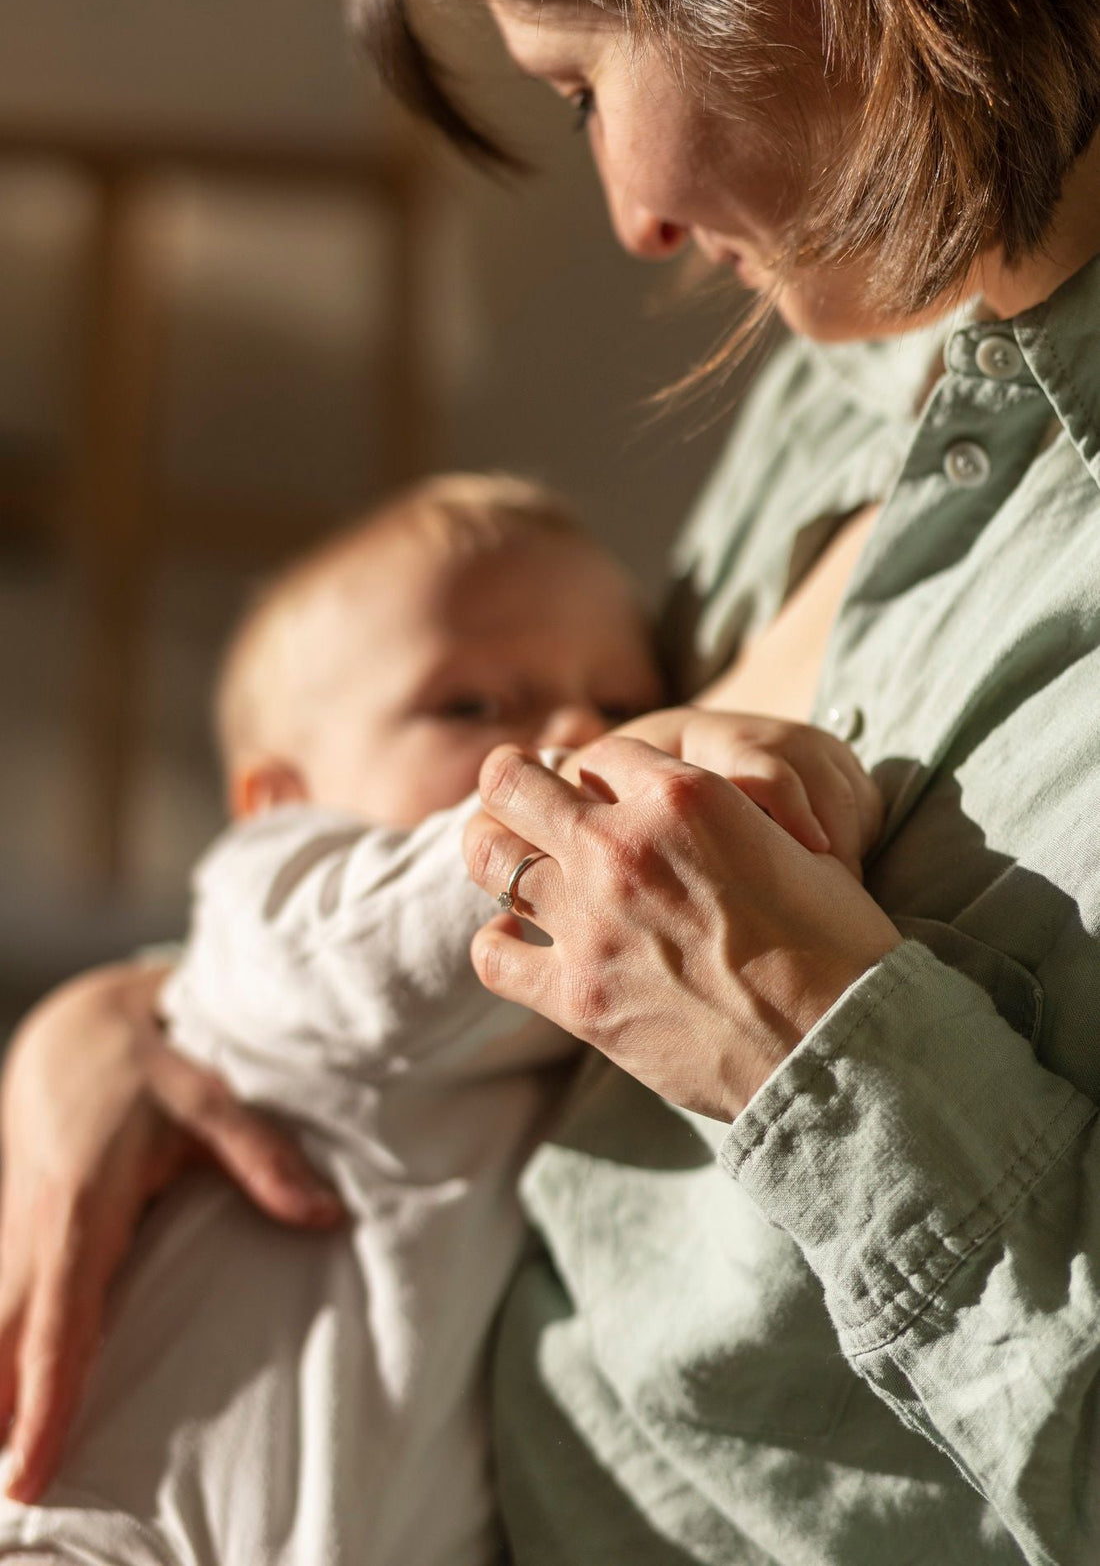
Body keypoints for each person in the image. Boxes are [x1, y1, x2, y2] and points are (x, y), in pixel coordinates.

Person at [3, 0, 1100, 1561]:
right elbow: (494, 881)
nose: (638, 220)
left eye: (581, 87)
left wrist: (800, 1036)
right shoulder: (868, 347)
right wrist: (125, 1021)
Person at [0, 472, 879, 1566]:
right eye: (470, 706)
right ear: (280, 797)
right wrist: (661, 762)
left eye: (615, 700)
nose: (572, 730)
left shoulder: (542, 1034)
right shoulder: (281, 898)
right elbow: (403, 942)